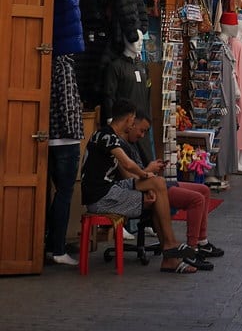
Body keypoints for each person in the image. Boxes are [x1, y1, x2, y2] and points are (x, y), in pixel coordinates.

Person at [81, 97, 199, 273]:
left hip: (111, 189)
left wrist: (148, 181)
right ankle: (169, 249)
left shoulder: (105, 135)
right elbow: (127, 165)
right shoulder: (107, 137)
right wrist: (145, 174)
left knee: (157, 183)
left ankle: (169, 246)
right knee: (155, 196)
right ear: (129, 118)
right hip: (102, 197)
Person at [125, 111, 224, 266]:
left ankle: (202, 241)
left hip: (153, 181)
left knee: (203, 190)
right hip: (148, 186)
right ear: (130, 124)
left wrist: (151, 169)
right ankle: (192, 249)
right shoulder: (119, 146)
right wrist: (148, 171)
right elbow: (130, 179)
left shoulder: (132, 144)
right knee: (196, 199)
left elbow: (140, 171)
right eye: (141, 130)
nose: (142, 135)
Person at [45, 55, 84, 266]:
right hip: (65, 140)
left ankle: (51, 244)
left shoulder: (49, 65)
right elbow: (68, 103)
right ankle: (57, 248)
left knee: (57, 194)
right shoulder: (65, 67)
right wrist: (73, 132)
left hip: (51, 137)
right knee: (64, 194)